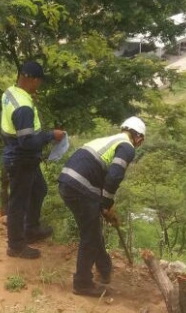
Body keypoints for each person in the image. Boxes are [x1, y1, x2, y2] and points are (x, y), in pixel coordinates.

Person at [58, 117, 145, 297]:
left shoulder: (109, 140)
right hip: (81, 186)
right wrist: (106, 204)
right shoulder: (127, 147)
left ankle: (104, 268)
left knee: (92, 229)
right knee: (89, 236)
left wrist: (103, 204)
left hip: (68, 182)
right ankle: (82, 283)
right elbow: (114, 177)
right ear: (139, 138)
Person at [1, 61, 65, 259]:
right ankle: (16, 246)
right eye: (39, 82)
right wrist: (50, 136)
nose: (39, 86)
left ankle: (31, 229)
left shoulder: (11, 92)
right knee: (18, 203)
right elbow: (27, 141)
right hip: (21, 159)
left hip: (21, 155)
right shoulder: (24, 108)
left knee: (39, 189)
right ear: (33, 80)